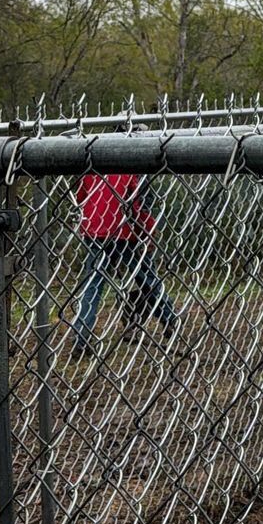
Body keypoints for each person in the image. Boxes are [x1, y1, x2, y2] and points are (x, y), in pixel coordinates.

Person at [71, 127, 179, 354]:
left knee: (93, 283)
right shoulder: (129, 167)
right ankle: (169, 317)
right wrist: (147, 231)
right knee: (145, 275)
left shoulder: (92, 166)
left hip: (94, 230)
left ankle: (82, 337)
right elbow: (135, 204)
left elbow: (81, 197)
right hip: (121, 231)